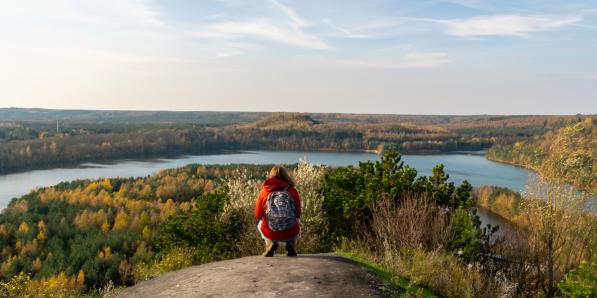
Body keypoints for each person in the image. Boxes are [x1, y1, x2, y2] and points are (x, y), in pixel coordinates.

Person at [255, 165, 301, 257]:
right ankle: (290, 244)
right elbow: (298, 213)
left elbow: (258, 215)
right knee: (297, 221)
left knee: (260, 222)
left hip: (271, 231)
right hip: (290, 231)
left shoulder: (264, 192)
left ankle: (270, 244)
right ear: (285, 176)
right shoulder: (292, 190)